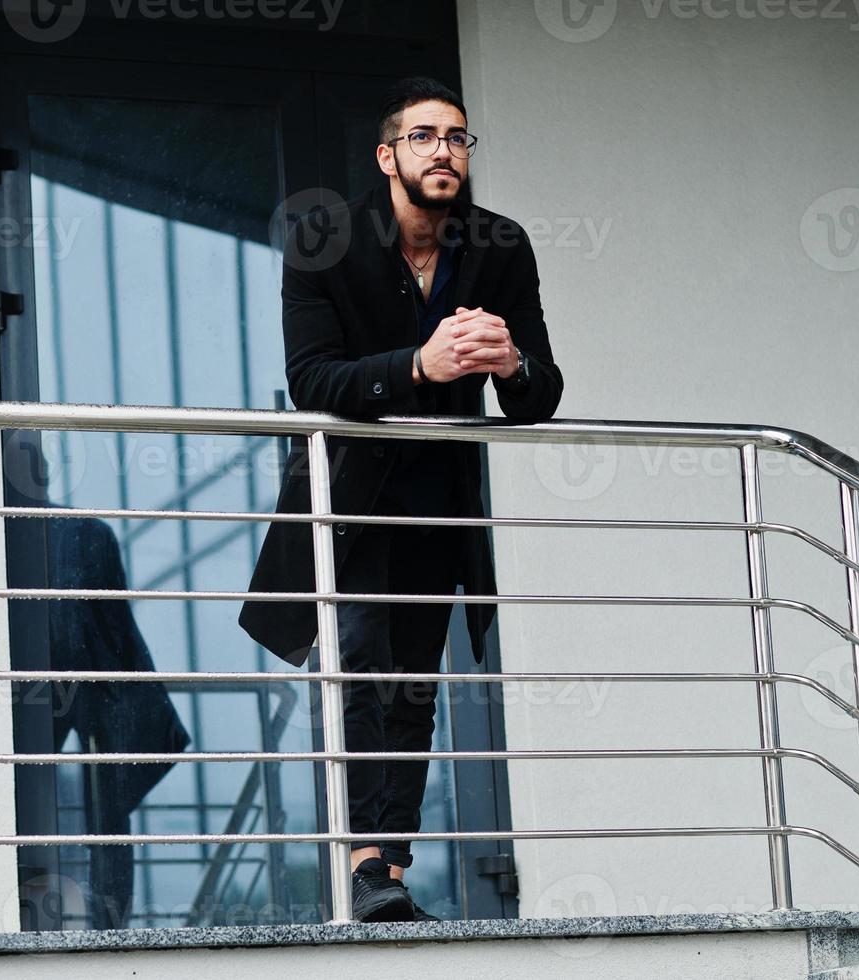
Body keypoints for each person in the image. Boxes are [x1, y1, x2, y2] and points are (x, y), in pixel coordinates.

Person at [238, 75, 564, 922]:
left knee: (414, 685)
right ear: (388, 156)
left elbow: (540, 392)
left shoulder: (500, 245)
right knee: (358, 668)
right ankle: (364, 861)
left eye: (456, 138)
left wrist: (508, 365)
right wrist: (419, 364)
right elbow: (311, 379)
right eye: (423, 137)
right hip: (345, 494)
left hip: (437, 496)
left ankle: (389, 867)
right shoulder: (324, 238)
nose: (443, 151)